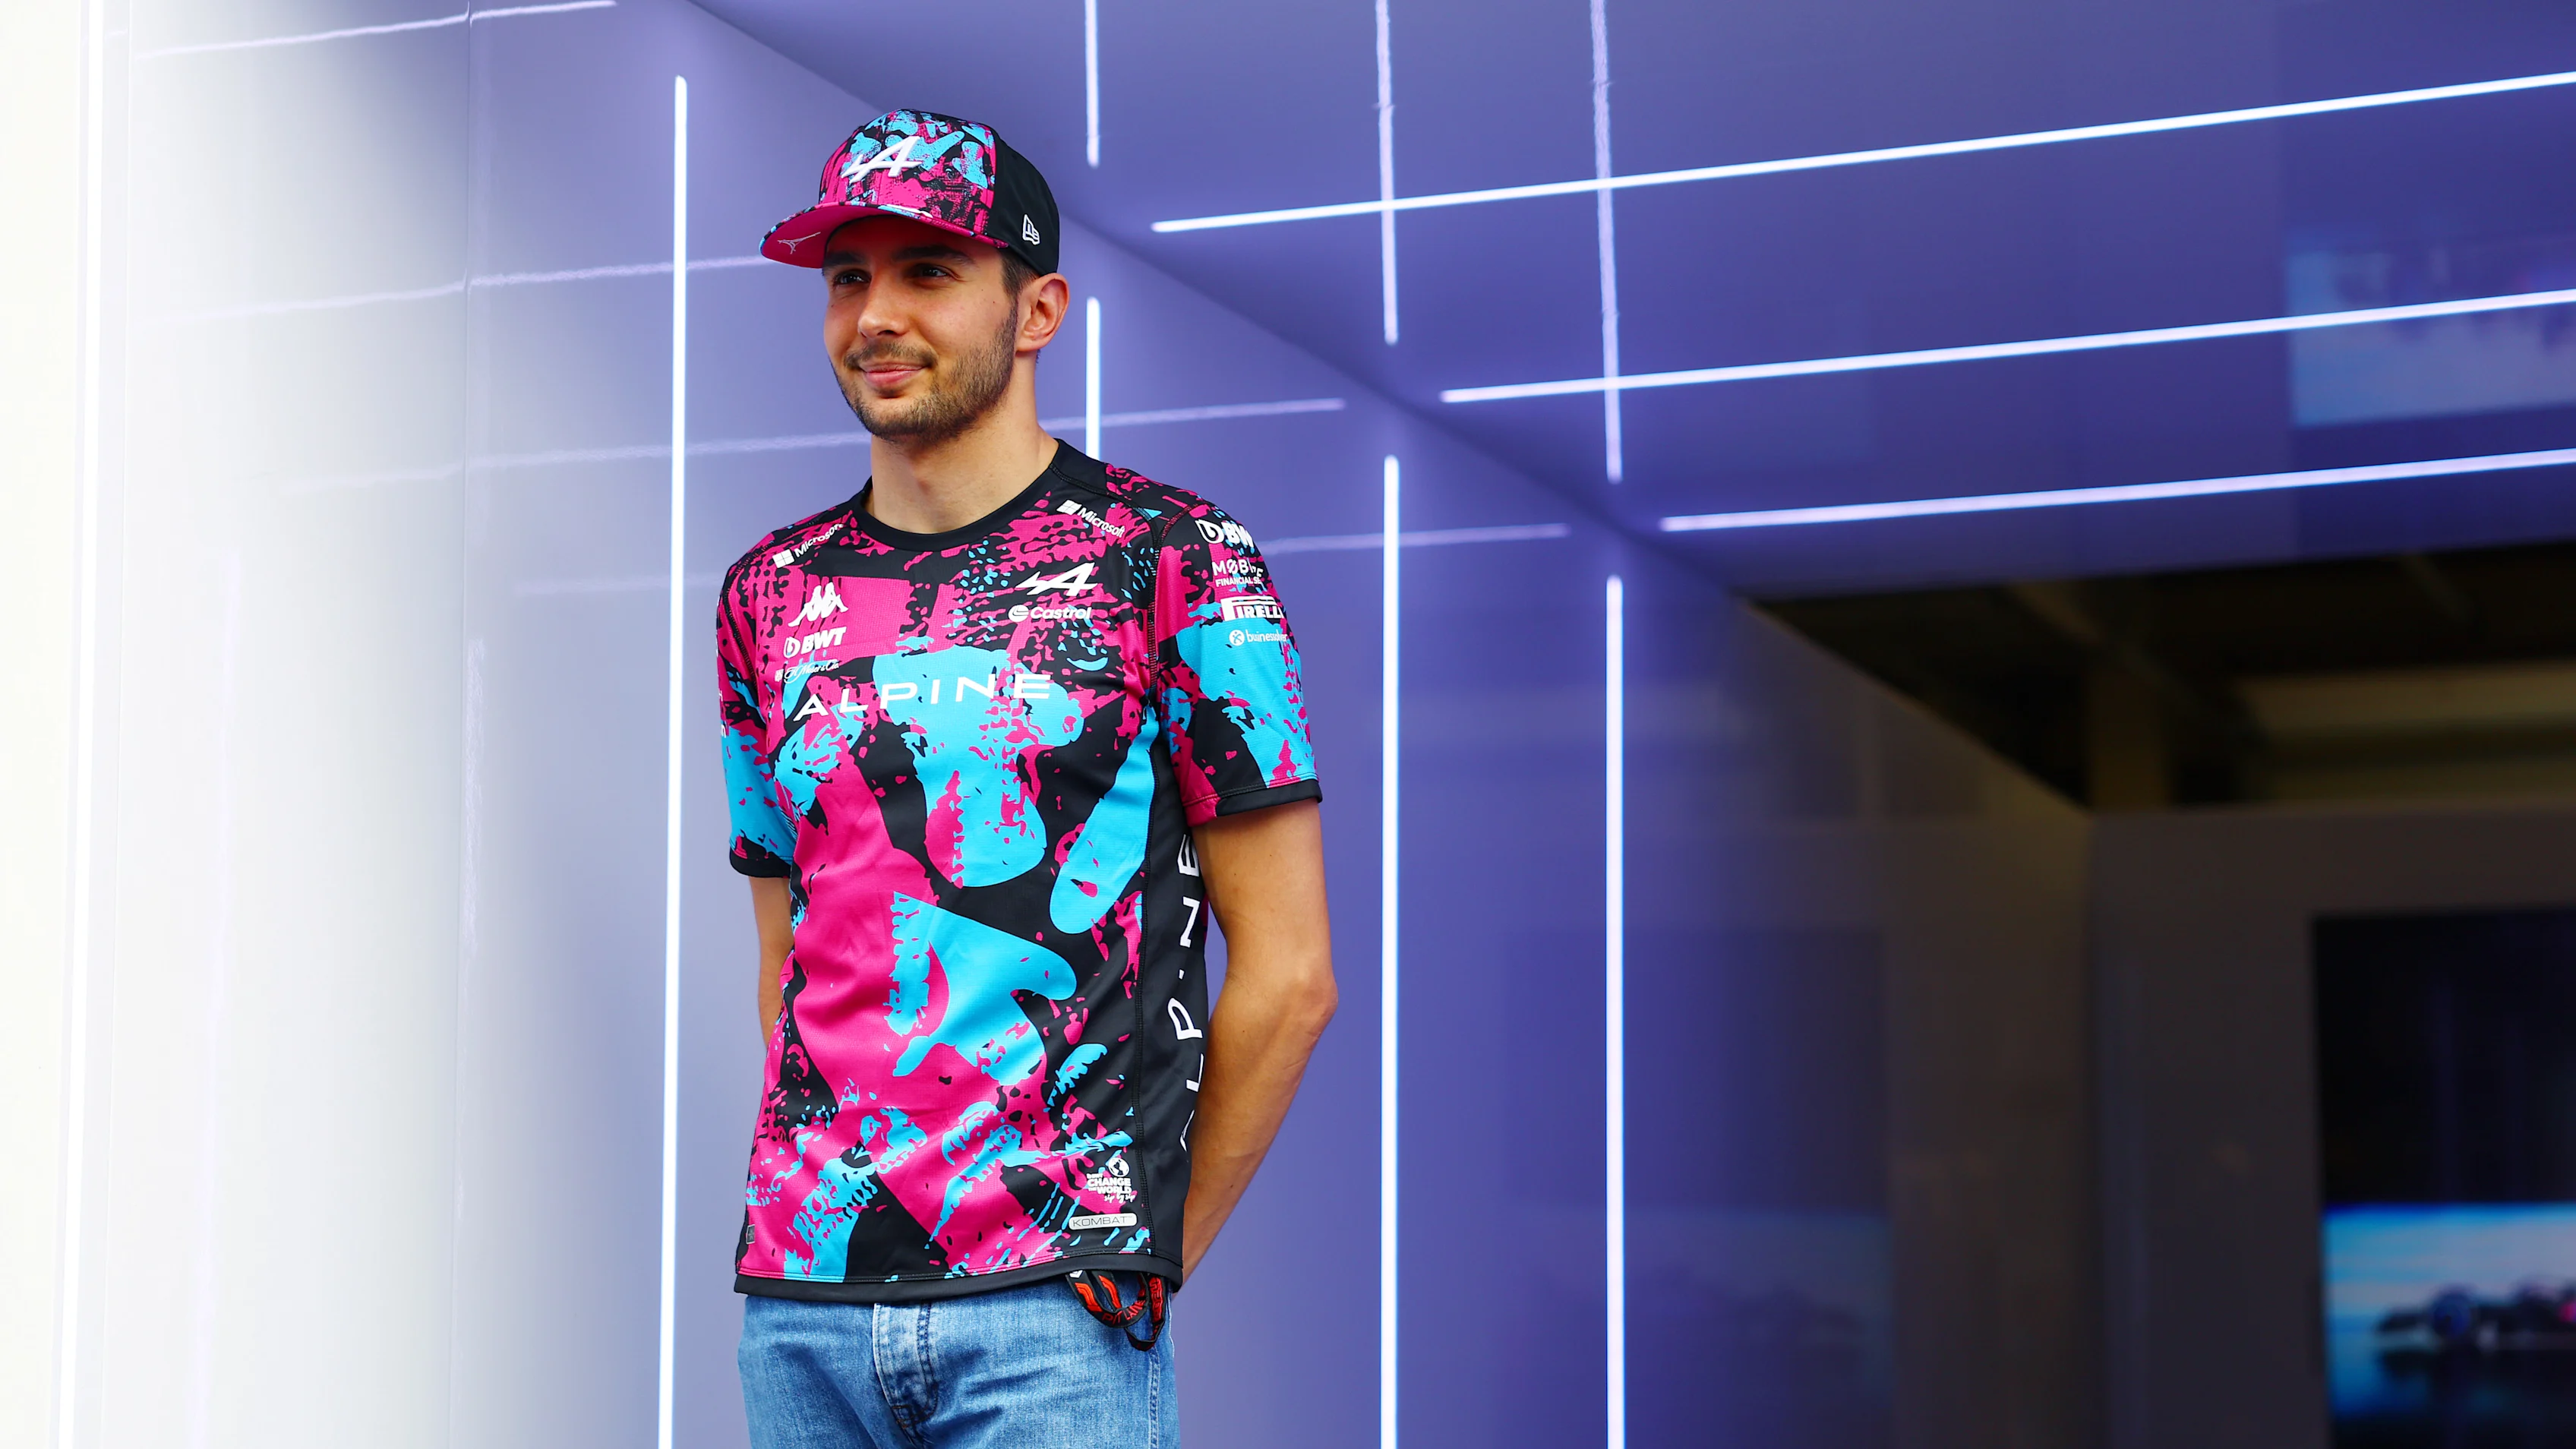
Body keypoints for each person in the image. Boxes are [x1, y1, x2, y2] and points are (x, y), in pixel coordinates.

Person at [716, 110, 1338, 1448]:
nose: (875, 313)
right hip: (802, 1308)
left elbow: (1291, 979)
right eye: (847, 277)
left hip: (1052, 1312)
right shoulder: (768, 592)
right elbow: (790, 963)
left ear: (1038, 305)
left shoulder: (1173, 555)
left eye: (928, 270)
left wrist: (1146, 1252)